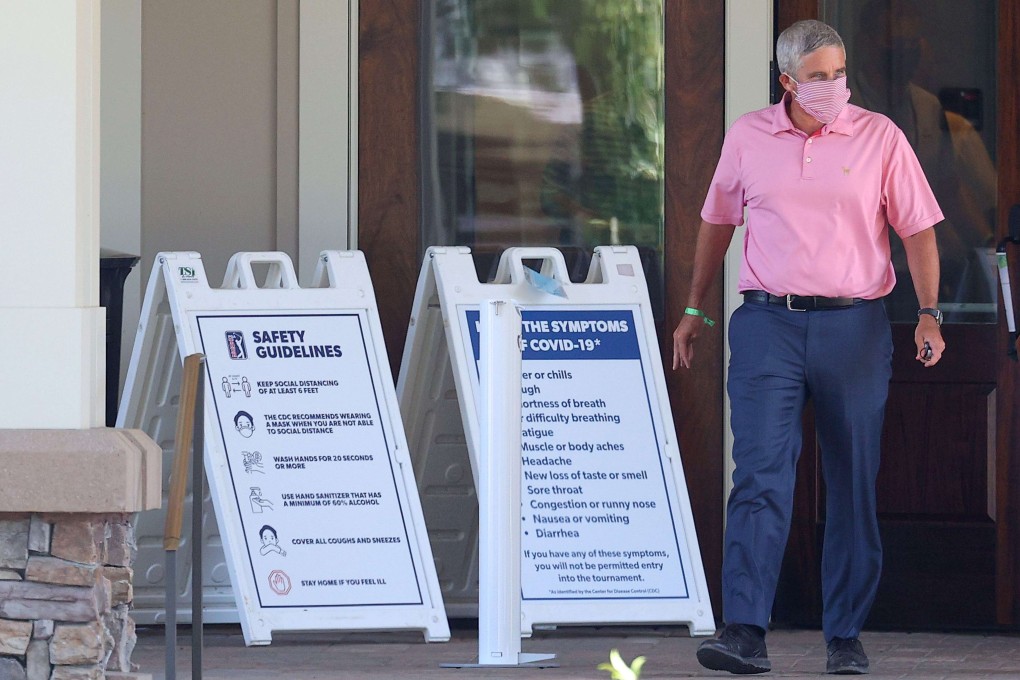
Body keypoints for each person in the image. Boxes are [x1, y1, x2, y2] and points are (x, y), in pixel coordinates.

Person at [672, 19, 945, 675]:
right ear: (788, 80)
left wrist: (930, 314)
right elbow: (717, 222)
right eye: (820, 76)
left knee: (851, 479)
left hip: (854, 325)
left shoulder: (881, 136)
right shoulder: (749, 136)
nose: (834, 87)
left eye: (840, 73)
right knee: (760, 477)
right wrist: (692, 306)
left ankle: (845, 635)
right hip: (769, 325)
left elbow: (920, 233)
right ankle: (744, 631)